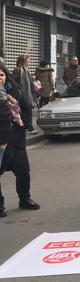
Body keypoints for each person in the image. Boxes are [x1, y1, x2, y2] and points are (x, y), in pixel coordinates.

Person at [0, 63, 40, 218]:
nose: (0, 78)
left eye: (2, 75)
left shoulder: (13, 90)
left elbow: (26, 106)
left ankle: (25, 198)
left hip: (16, 138)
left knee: (23, 170)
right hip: (1, 140)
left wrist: (25, 125)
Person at [11, 55, 38, 134]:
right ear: (23, 61)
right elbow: (12, 81)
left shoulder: (26, 70)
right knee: (26, 111)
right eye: (28, 61)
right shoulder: (18, 70)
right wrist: (19, 86)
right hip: (22, 95)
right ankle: (28, 128)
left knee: (28, 111)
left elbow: (30, 83)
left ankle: (27, 127)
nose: (29, 62)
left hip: (28, 94)